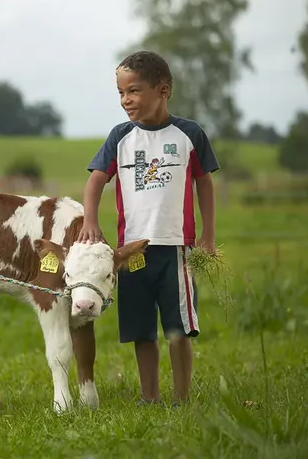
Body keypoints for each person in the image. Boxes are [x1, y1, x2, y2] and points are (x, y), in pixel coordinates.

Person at [78, 50, 219, 406]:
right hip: (131, 253)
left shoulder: (189, 134)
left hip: (176, 249)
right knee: (142, 329)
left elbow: (204, 183)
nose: (126, 100)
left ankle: (182, 398)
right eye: (121, 93)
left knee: (178, 328)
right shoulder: (120, 136)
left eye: (134, 91)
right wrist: (90, 221)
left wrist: (208, 235)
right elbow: (95, 182)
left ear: (163, 90)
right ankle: (149, 396)